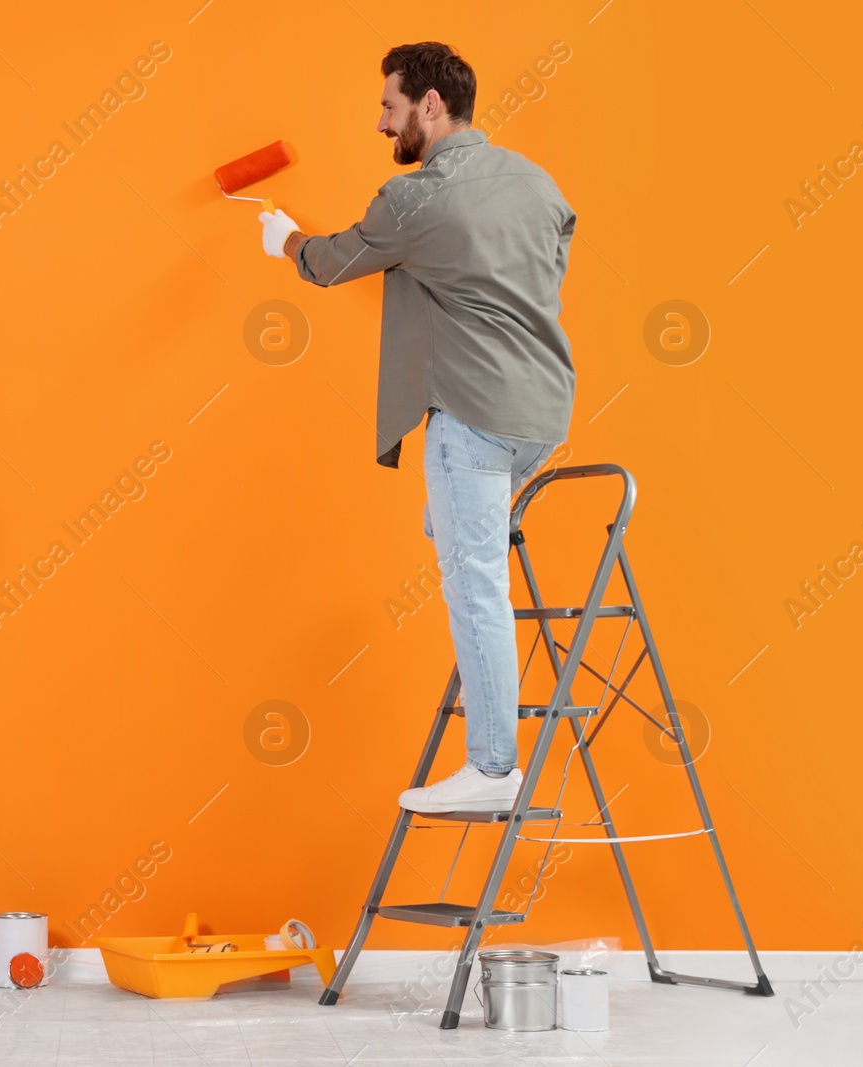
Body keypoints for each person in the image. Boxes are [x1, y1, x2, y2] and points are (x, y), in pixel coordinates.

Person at [258, 42, 575, 814]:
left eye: (389, 106)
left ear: (431, 106)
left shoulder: (416, 199)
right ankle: (494, 726)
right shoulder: (537, 182)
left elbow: (331, 264)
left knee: (475, 585)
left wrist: (285, 240)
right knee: (462, 541)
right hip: (541, 413)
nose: (381, 122)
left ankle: (494, 766)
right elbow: (552, 257)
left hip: (471, 411)